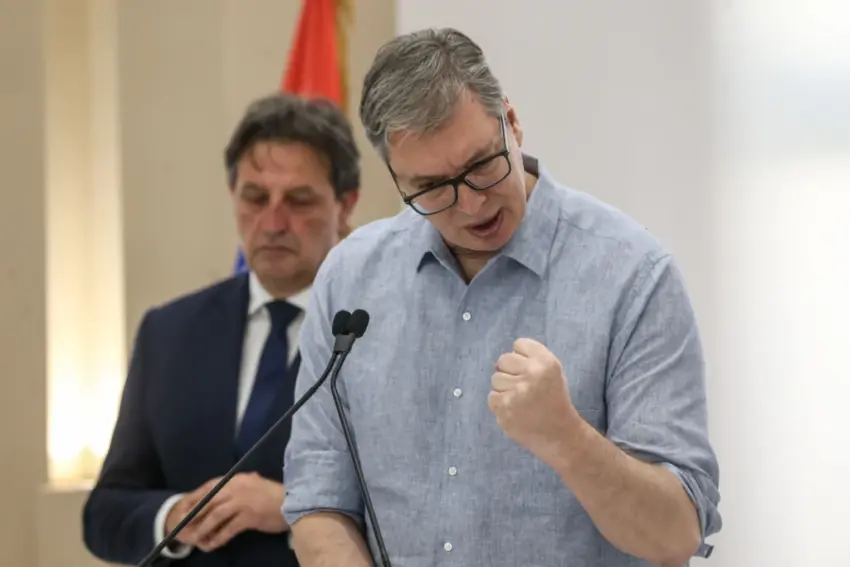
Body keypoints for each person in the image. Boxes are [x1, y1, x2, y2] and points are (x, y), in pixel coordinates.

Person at [282, 27, 722, 567]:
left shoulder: (633, 275)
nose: (471, 206)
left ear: (511, 122)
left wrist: (567, 438)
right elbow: (318, 501)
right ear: (397, 180)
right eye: (432, 188)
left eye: (481, 166)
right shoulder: (350, 280)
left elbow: (675, 535)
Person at [82, 92, 360, 567]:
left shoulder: (377, 330)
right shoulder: (168, 332)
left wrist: (295, 508)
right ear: (232, 194)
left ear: (345, 204)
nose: (273, 222)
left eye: (299, 201)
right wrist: (172, 517)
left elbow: (416, 508)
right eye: (255, 198)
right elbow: (105, 512)